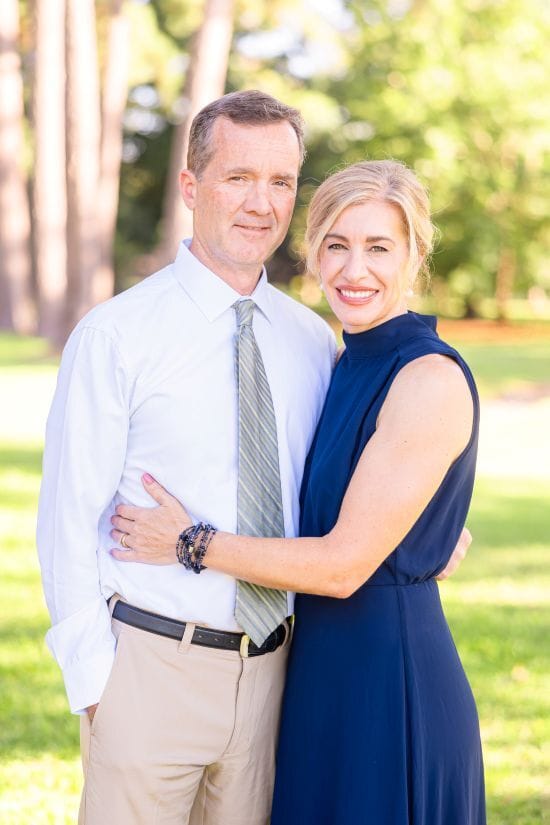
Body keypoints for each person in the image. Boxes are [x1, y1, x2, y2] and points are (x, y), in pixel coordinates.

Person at [110, 160, 486, 824]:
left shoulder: (426, 377)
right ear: (312, 252)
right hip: (315, 674)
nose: (353, 269)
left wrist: (189, 542)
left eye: (378, 247)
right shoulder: (335, 362)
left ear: (415, 255)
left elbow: (341, 566)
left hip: (386, 685)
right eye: (336, 245)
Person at [37, 90, 337, 825]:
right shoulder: (117, 335)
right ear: (191, 186)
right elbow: (67, 518)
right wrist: (96, 682)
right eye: (239, 177)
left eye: (281, 181)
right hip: (149, 669)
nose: (261, 203)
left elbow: (338, 493)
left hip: (273, 675)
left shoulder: (312, 342)